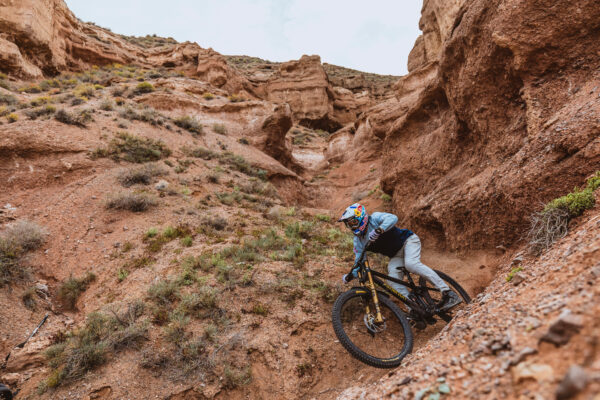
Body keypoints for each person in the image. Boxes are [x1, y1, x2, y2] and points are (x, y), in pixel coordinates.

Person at [338, 203, 461, 311]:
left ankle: (448, 293)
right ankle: (414, 309)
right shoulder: (358, 241)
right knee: (392, 281)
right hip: (396, 255)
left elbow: (392, 218)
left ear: (361, 217)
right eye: (349, 224)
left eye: (353, 222)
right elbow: (359, 261)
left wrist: (379, 230)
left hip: (408, 241)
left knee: (411, 264)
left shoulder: (374, 218)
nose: (352, 226)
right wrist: (350, 275)